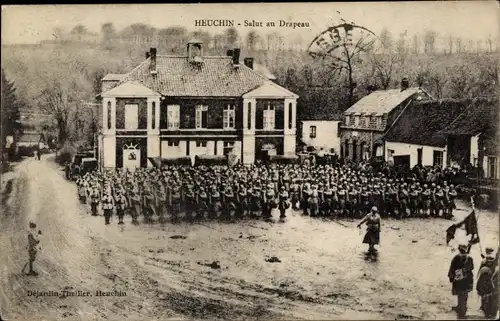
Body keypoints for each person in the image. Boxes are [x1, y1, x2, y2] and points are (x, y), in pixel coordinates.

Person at [448, 243, 474, 319]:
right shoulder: (469, 258)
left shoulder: (456, 258)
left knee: (460, 295)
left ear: (459, 249)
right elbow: (472, 267)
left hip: (459, 281)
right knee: (465, 295)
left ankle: (461, 312)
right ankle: (462, 309)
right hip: (467, 281)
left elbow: (452, 269)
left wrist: (451, 277)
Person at [477, 247, 497, 319]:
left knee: (483, 293)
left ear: (486, 251)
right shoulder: (494, 259)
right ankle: (488, 310)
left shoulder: (484, 260)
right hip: (491, 278)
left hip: (484, 279)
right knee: (489, 294)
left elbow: (481, 269)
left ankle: (484, 308)